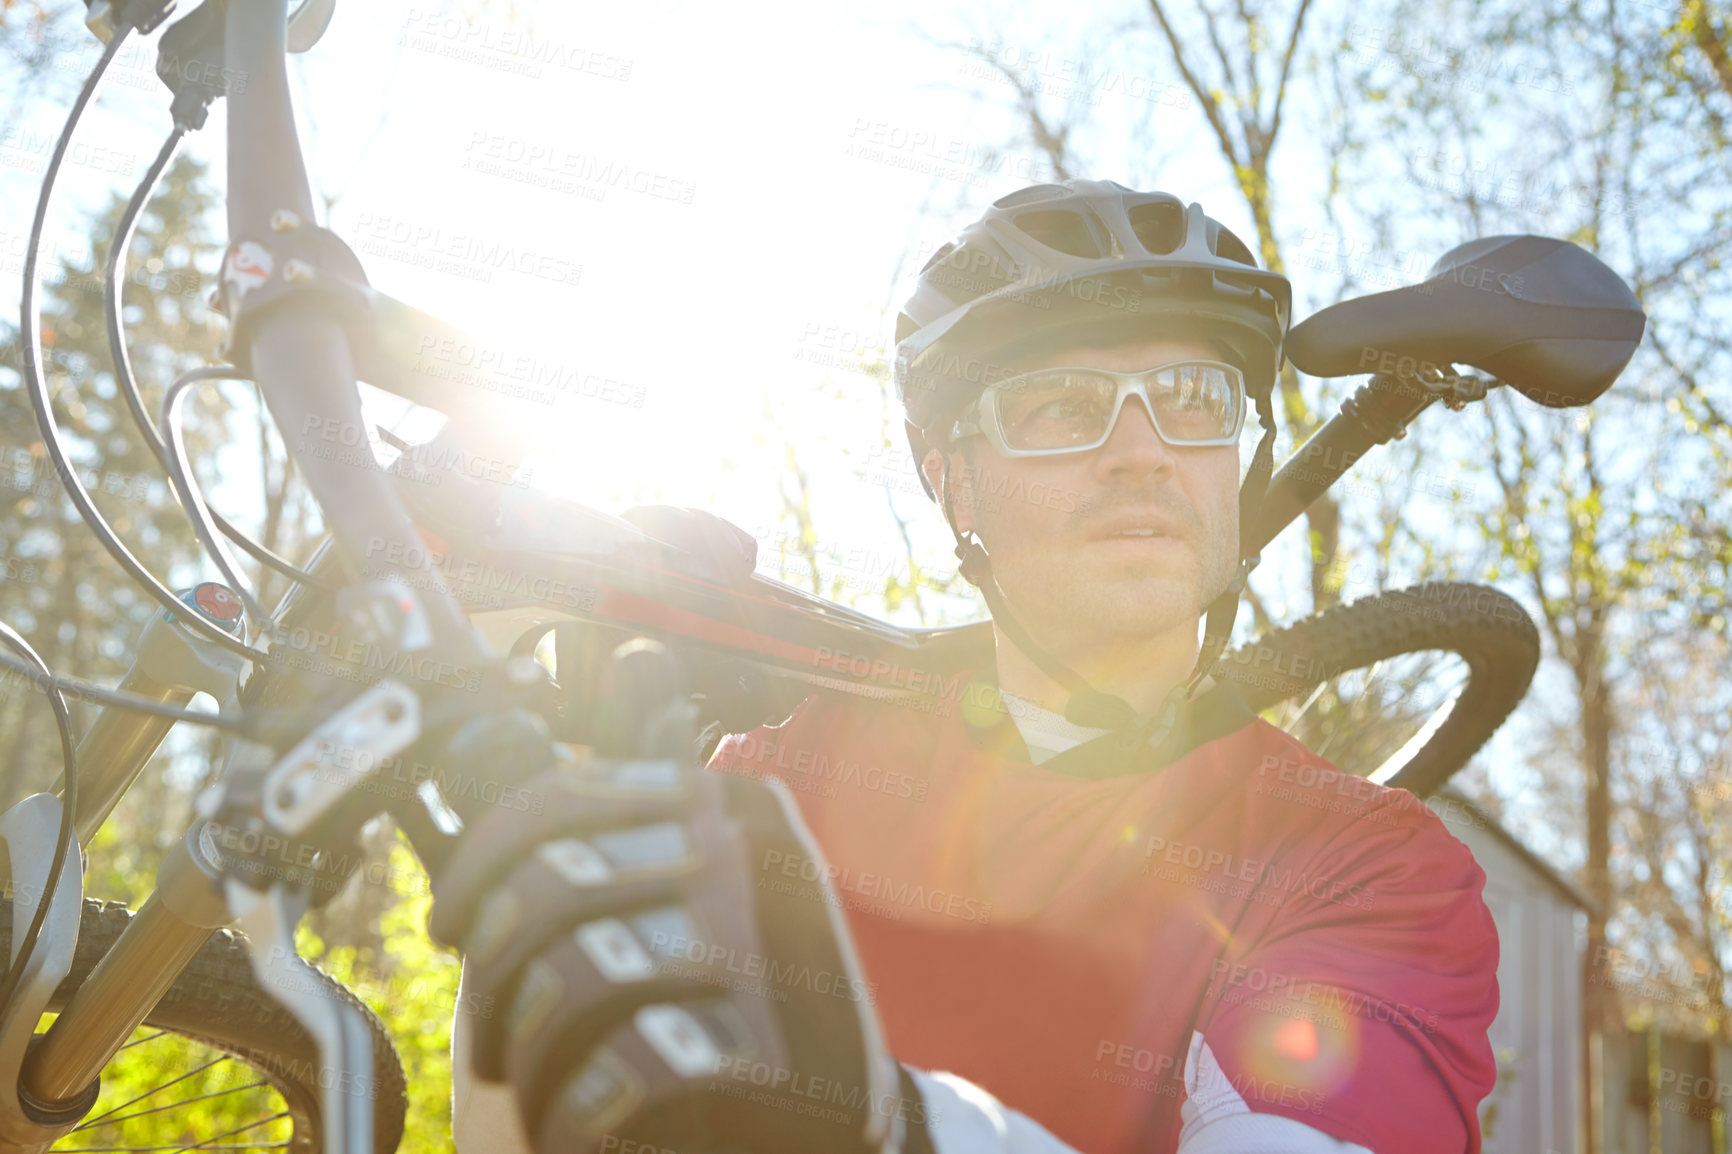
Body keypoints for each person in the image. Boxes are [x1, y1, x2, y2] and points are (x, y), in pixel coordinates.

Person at [438, 180, 1500, 1154]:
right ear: (953, 486)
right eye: (1060, 407)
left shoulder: (1365, 862)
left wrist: (879, 1118)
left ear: (1238, 459)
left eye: (1190, 396)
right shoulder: (771, 783)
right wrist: (534, 797)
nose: (1140, 450)